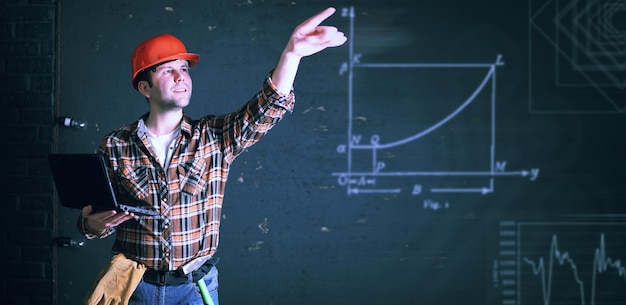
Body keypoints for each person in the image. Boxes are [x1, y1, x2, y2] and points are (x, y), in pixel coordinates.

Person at [76, 7, 346, 305]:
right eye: (168, 70)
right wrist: (93, 225)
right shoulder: (115, 145)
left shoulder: (213, 137)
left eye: (185, 69)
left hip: (195, 289)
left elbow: (266, 110)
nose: (181, 77)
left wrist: (292, 54)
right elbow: (91, 218)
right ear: (145, 88)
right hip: (134, 288)